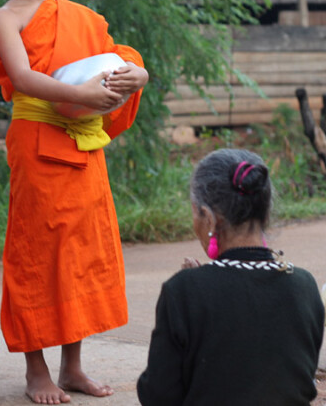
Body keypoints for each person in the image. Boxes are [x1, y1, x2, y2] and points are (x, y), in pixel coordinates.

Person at [0, 0, 149, 404]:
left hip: (83, 141)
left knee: (79, 254)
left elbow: (116, 59)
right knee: (37, 254)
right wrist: (81, 95)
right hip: (38, 139)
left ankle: (72, 367)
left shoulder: (80, 16)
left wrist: (138, 75)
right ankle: (36, 372)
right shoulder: (6, 18)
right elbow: (21, 77)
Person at [137, 149, 325, 405]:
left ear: (208, 218)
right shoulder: (304, 286)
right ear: (266, 214)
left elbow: (158, 394)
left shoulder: (182, 290)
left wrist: (192, 289)